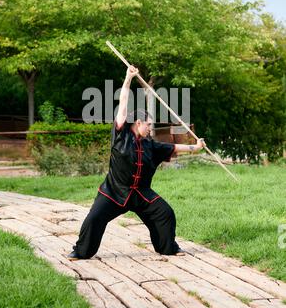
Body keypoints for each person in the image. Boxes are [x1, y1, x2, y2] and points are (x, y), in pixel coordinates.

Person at [67, 65, 205, 260]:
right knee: (94, 218)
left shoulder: (151, 146)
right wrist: (128, 78)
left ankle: (168, 247)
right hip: (114, 191)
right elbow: (123, 102)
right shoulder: (120, 136)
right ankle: (81, 251)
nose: (150, 127)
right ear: (138, 123)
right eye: (148, 123)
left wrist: (196, 147)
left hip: (141, 194)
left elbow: (173, 148)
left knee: (165, 213)